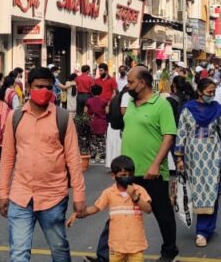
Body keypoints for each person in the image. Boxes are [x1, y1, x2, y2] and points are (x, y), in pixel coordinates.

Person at [90, 66, 179, 262]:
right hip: (127, 172)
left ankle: (169, 253)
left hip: (152, 172)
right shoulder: (130, 103)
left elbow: (169, 137)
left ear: (143, 83)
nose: (127, 85)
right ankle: (104, 255)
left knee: (162, 214)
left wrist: (156, 165)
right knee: (117, 213)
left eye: (131, 82)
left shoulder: (161, 105)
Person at [0, 66, 86, 262]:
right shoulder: (16, 116)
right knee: (18, 254)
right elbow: (7, 158)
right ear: (29, 88)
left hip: (53, 196)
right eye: (39, 86)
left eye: (48, 87)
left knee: (59, 250)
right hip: (20, 196)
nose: (43, 91)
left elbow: (73, 159)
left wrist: (79, 195)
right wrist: (3, 192)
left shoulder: (62, 118)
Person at [174, 78, 221, 248]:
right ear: (200, 92)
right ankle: (205, 228)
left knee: (212, 191)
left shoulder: (217, 109)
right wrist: (179, 158)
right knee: (197, 192)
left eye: (214, 92)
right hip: (193, 157)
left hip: (213, 156)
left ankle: (203, 231)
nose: (212, 95)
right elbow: (181, 133)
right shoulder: (188, 109)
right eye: (209, 92)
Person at [67, 156, 152, 262]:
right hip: (116, 245)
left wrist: (135, 197)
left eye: (130, 175)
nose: (127, 178)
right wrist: (78, 213)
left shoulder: (139, 190)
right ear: (113, 176)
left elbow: (148, 209)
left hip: (136, 245)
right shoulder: (109, 193)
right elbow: (95, 208)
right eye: (123, 175)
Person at [85, 84, 109, 164]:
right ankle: (102, 157)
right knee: (102, 140)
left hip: (92, 122)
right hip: (102, 122)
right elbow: (107, 111)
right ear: (101, 91)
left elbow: (85, 112)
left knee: (93, 140)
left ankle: (92, 157)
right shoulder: (104, 101)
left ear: (92, 91)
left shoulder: (89, 101)